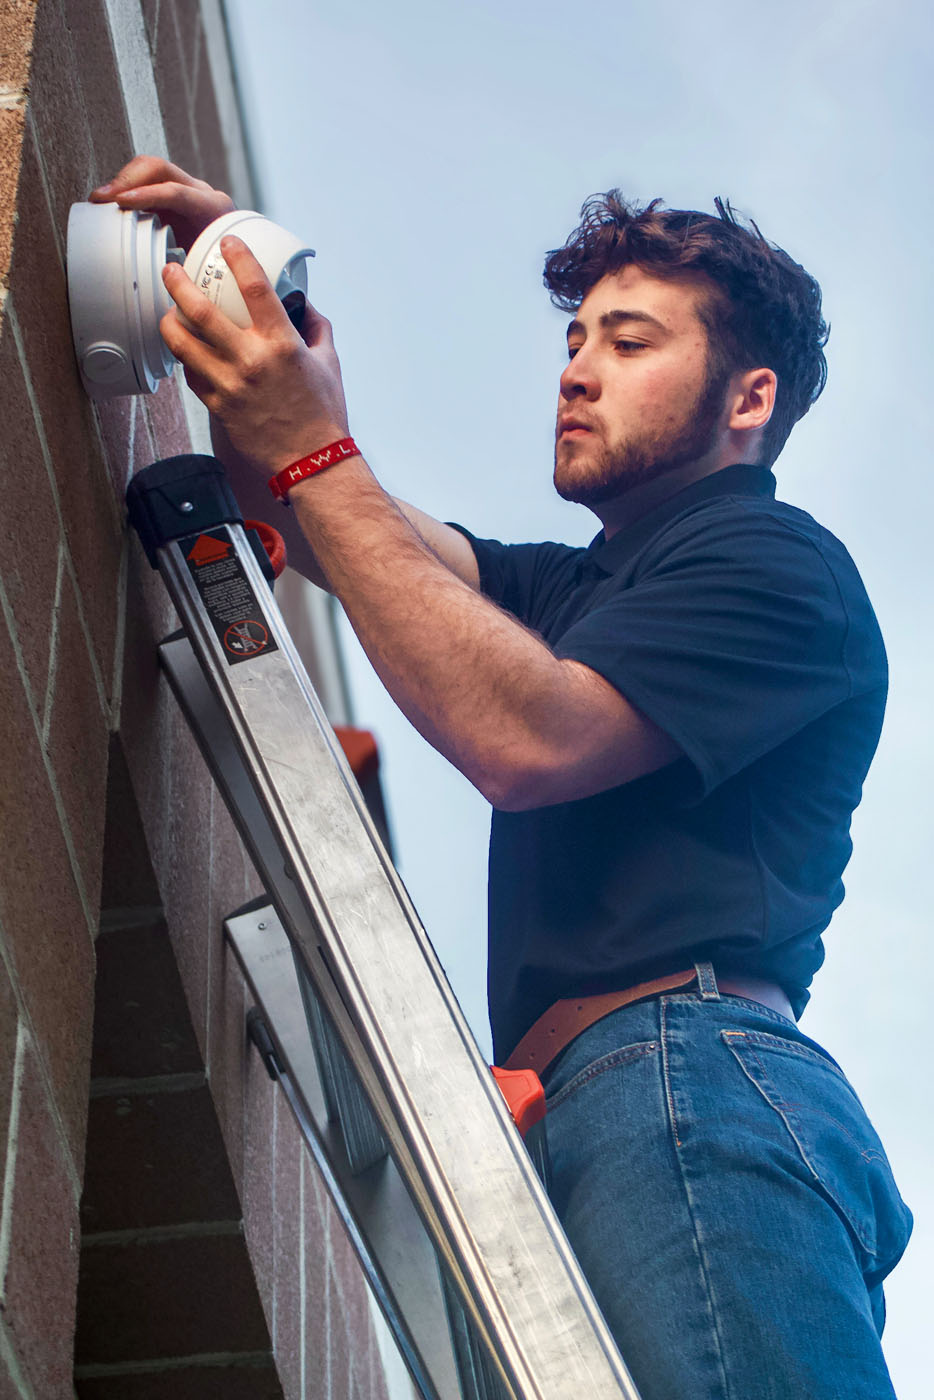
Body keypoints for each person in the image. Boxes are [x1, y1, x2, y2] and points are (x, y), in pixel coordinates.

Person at [91, 159, 912, 1398]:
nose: (575, 367)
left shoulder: (775, 564)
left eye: (628, 342)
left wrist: (316, 455)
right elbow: (316, 511)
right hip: (585, 1110)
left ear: (750, 395)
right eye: (576, 336)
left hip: (689, 1083)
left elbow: (524, 734)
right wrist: (248, 289)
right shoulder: (574, 587)